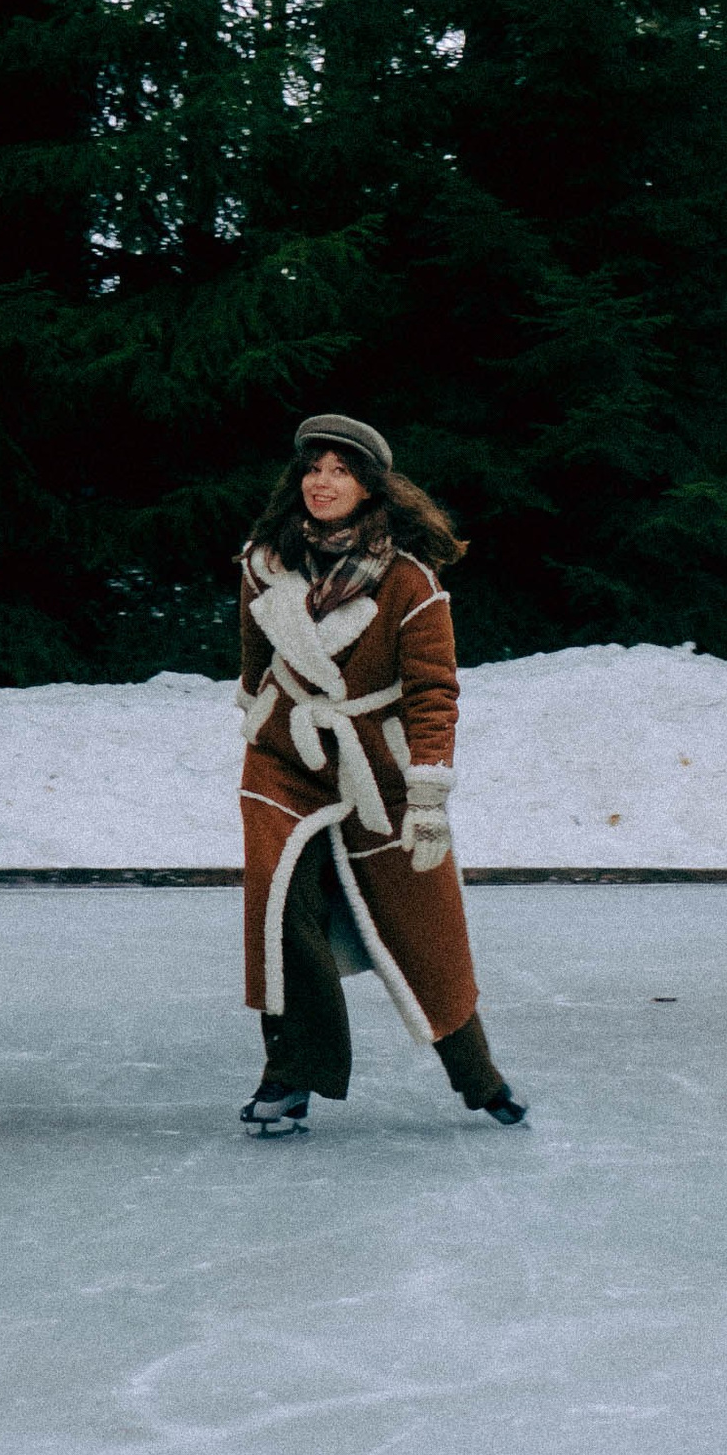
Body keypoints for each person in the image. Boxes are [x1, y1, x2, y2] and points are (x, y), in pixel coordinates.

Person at [235, 414, 527, 1139]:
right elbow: (253, 654)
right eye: (313, 468)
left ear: (369, 487)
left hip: (378, 763)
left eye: (340, 470)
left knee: (423, 924)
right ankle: (290, 1077)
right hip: (288, 756)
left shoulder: (409, 581)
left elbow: (433, 691)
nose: (322, 482)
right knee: (281, 916)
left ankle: (478, 1077)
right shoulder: (264, 564)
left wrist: (427, 798)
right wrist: (260, 710)